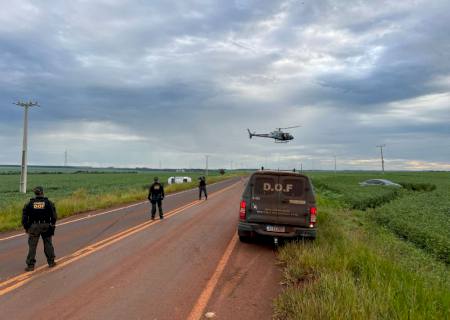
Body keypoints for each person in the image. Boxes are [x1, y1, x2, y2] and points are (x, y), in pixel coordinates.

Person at [22, 186, 57, 271]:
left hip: (34, 227)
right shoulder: (48, 202)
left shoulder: (29, 203)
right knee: (48, 244)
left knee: (32, 246)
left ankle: (30, 266)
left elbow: (24, 218)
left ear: (35, 193)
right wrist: (52, 225)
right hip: (46, 225)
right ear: (42, 192)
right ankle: (51, 262)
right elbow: (54, 216)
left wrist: (27, 227)